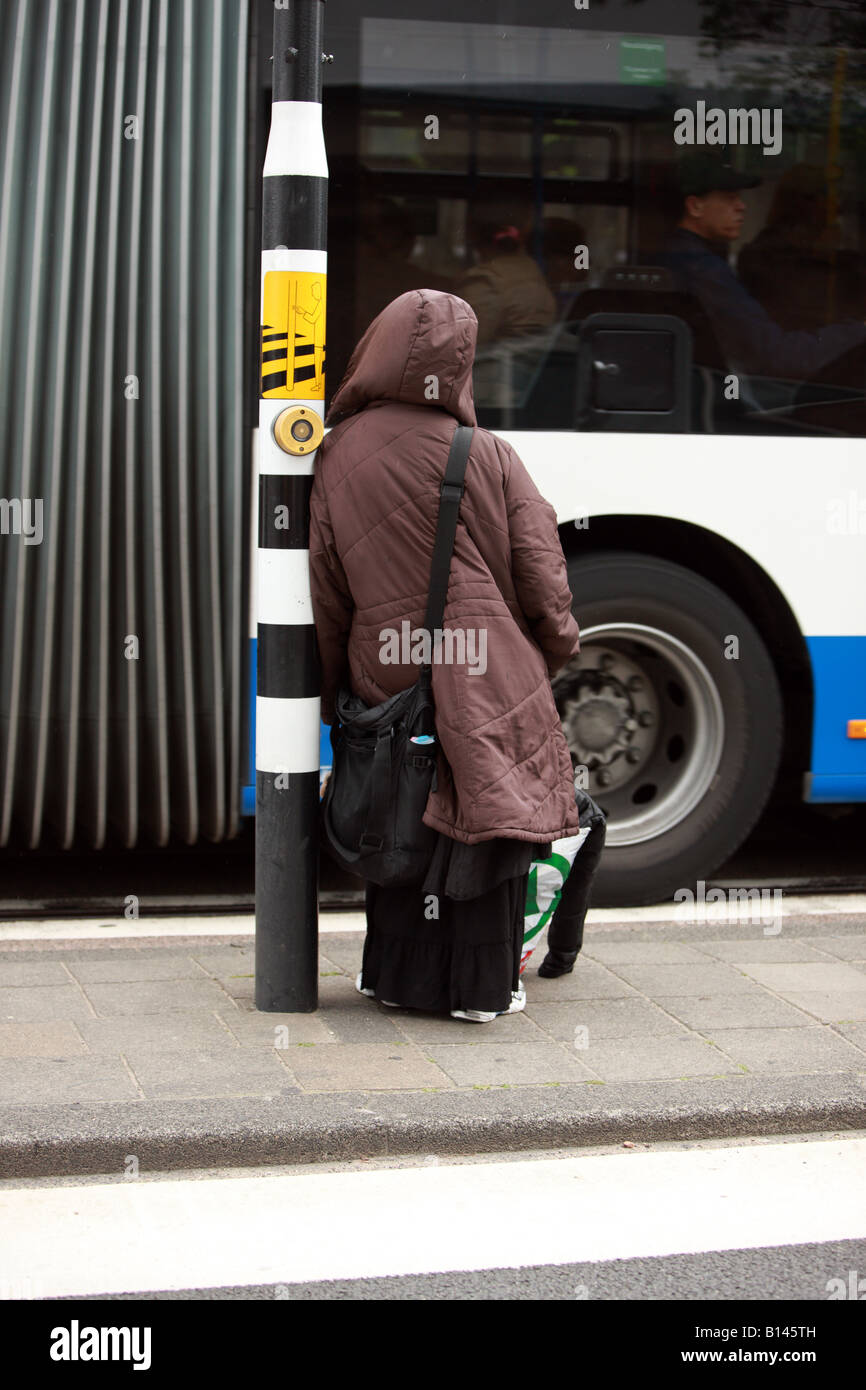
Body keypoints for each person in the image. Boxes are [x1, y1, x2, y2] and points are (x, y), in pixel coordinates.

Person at [309, 288, 583, 1022]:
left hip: (387, 667)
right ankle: (480, 989)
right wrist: (553, 647)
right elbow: (541, 570)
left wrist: (335, 687)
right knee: (483, 818)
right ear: (461, 366)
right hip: (489, 667)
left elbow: (326, 589)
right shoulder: (490, 453)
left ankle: (394, 975)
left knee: (401, 810)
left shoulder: (336, 455)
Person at [657, 151, 866, 381]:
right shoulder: (703, 268)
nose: (741, 207)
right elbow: (776, 356)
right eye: (730, 197)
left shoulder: (673, 255)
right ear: (695, 206)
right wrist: (858, 331)